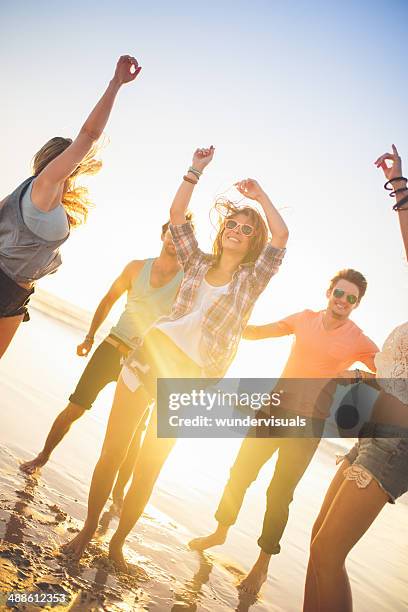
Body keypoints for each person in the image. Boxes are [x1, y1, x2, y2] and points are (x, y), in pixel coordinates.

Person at [62, 145, 289, 569]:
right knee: (113, 452)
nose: (237, 230)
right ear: (222, 230)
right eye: (232, 224)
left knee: (148, 467)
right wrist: (194, 170)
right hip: (149, 356)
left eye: (246, 229)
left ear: (252, 240)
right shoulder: (195, 260)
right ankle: (88, 529)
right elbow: (178, 215)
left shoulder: (252, 280)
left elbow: (281, 238)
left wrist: (260, 198)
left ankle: (117, 545)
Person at [188, 269, 379, 595]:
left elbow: (389, 370)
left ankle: (262, 565)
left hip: (308, 425)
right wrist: (227, 320)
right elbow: (258, 332)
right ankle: (220, 531)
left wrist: (358, 375)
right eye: (339, 293)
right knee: (240, 473)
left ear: (356, 304)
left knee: (278, 494)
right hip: (272, 410)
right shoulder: (304, 318)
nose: (343, 301)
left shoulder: (357, 338)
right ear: (329, 291)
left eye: (351, 298)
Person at [20, 218, 186, 515]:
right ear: (162, 235)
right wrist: (89, 336)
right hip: (112, 347)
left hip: (145, 362)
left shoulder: (186, 280)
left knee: (134, 433)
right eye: (171, 232)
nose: (175, 239)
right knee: (75, 406)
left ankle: (119, 492)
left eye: (181, 235)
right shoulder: (136, 267)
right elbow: (109, 299)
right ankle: (42, 457)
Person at [303, 145, 408, 612]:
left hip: (396, 445)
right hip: (373, 434)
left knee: (329, 554)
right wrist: (370, 377)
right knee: (317, 547)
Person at [0, 55, 141, 359]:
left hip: (16, 293)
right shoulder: (45, 184)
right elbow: (89, 135)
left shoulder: (34, 194)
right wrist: (115, 84)